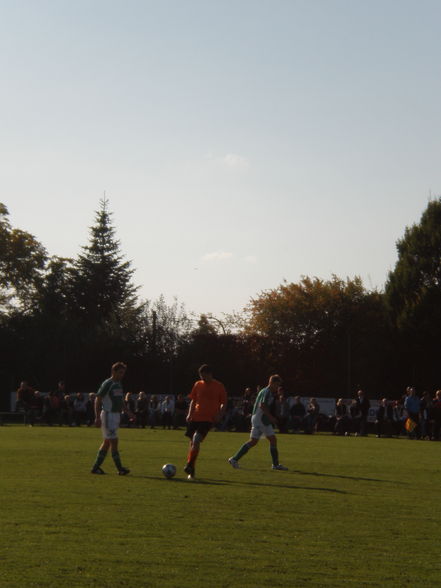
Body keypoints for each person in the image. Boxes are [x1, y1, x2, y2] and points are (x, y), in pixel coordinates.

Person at [228, 374, 288, 471]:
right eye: (277, 385)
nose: (278, 387)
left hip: (258, 418)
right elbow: (262, 405)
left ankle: (234, 459)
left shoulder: (266, 391)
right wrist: (271, 417)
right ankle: (275, 465)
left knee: (254, 441)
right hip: (261, 419)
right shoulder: (267, 392)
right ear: (271, 383)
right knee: (272, 439)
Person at [184, 364, 227, 480]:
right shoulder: (197, 384)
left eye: (204, 376)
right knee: (192, 443)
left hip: (208, 419)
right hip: (195, 417)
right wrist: (189, 414)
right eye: (201, 376)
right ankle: (191, 468)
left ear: (210, 374)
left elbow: (223, 403)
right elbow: (193, 401)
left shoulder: (219, 386)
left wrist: (220, 415)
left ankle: (189, 465)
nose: (203, 379)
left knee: (196, 439)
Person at [90, 362, 130, 475]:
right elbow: (98, 399)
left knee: (107, 442)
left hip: (115, 416)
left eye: (123, 373)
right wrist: (97, 417)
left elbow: (120, 400)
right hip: (108, 415)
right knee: (114, 441)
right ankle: (120, 469)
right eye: (120, 372)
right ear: (114, 372)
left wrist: (128, 412)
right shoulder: (108, 383)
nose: (122, 375)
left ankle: (95, 468)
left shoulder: (119, 384)